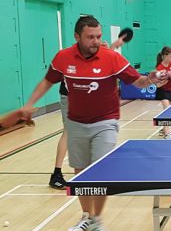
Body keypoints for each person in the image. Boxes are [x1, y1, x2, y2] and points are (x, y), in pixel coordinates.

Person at [20, 15, 169, 231]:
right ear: (77, 37)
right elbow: (48, 81)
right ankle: (87, 216)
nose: (96, 41)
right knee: (81, 172)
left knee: (101, 171)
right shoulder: (63, 57)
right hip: (76, 122)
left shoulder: (111, 57)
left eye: (99, 36)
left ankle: (97, 220)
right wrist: (29, 105)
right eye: (90, 37)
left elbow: (138, 81)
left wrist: (151, 78)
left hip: (105, 122)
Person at [49, 38, 126, 190]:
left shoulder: (95, 56)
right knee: (69, 131)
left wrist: (111, 48)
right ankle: (56, 174)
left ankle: (85, 170)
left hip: (83, 98)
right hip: (70, 96)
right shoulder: (73, 57)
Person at [155, 46, 171, 139]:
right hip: (162, 90)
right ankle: (167, 134)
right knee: (167, 111)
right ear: (165, 56)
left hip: (170, 90)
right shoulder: (159, 68)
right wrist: (163, 82)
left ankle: (164, 128)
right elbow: (157, 85)